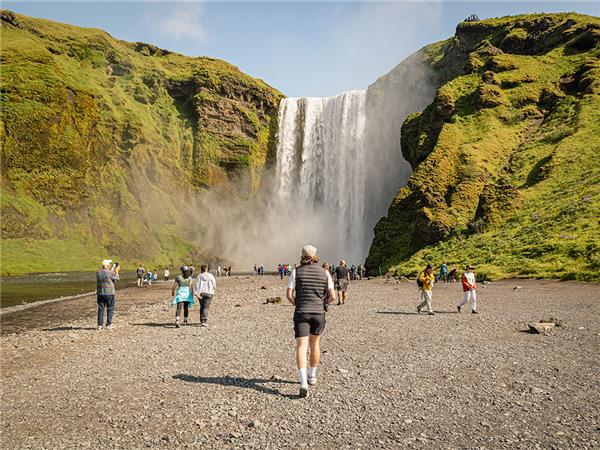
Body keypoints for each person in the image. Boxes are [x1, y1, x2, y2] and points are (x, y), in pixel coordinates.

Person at [286, 245, 335, 398]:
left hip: (302, 312)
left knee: (301, 346)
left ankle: (303, 383)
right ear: (315, 256)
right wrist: (323, 304)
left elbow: (288, 294)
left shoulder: (296, 271)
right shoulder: (325, 272)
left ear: (302, 256)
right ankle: (312, 376)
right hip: (319, 313)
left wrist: (298, 304)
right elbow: (332, 296)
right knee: (315, 344)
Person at [96, 259, 120, 330]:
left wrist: (112, 270)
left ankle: (100, 325)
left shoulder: (98, 272)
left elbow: (107, 277)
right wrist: (116, 271)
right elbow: (117, 279)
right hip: (109, 293)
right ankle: (108, 324)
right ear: (108, 265)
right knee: (110, 308)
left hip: (100, 293)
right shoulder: (111, 272)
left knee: (101, 309)